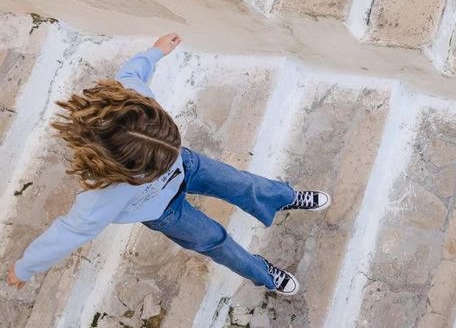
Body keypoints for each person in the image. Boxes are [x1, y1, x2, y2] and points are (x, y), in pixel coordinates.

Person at [5, 33, 329, 295]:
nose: (165, 159)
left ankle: (284, 197)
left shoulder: (136, 100)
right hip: (164, 213)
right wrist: (25, 267)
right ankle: (262, 273)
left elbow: (130, 75)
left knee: (244, 184)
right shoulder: (100, 199)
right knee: (216, 241)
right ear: (121, 170)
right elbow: (65, 234)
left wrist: (154, 53)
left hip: (189, 166)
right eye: (153, 167)